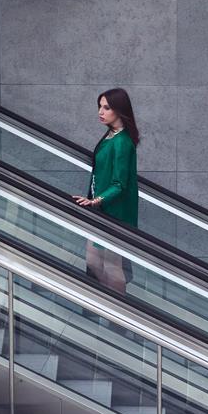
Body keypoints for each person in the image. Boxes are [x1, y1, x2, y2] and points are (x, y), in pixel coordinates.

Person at [73, 88, 139, 295]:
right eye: (100, 107)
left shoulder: (122, 142)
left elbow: (120, 184)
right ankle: (108, 301)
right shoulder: (111, 135)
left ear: (120, 110)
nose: (100, 112)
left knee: (112, 266)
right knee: (93, 260)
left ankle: (119, 316)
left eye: (106, 108)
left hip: (114, 212)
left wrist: (96, 201)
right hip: (101, 208)